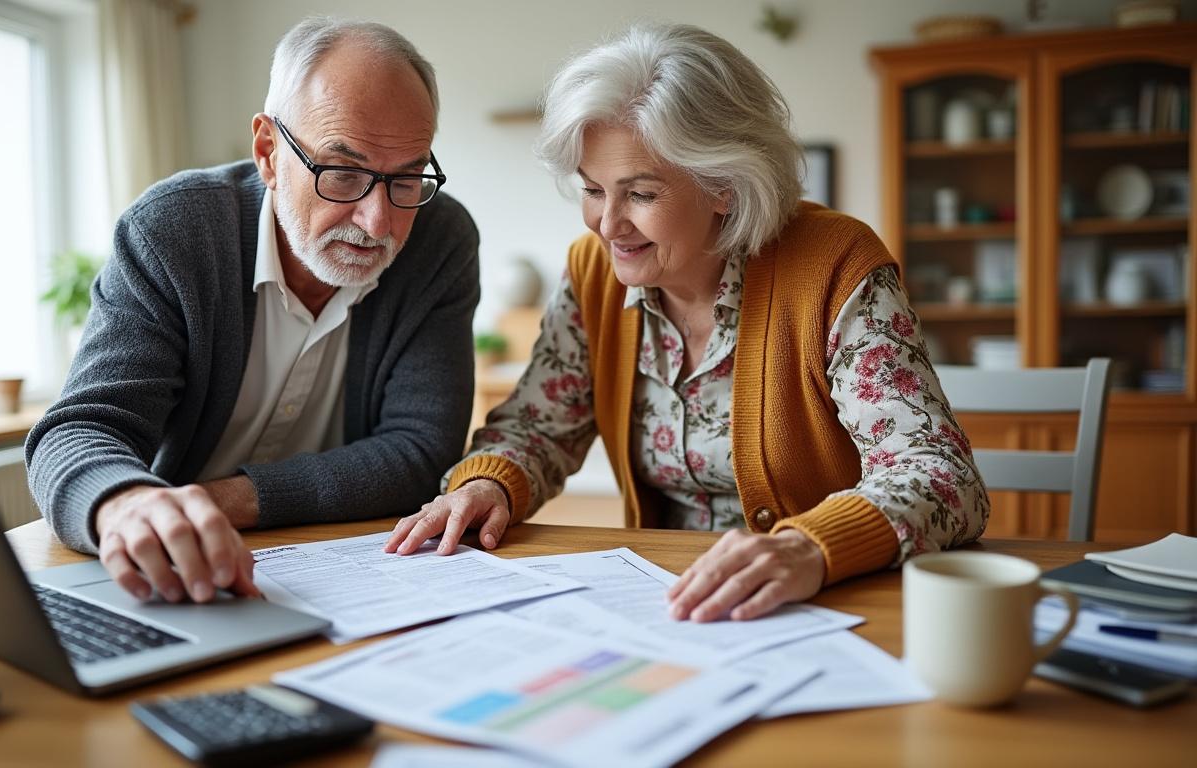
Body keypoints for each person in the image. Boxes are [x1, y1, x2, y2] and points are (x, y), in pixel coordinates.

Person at [385, 23, 988, 622]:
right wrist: (486, 485)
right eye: (593, 189)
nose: (607, 224)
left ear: (723, 185)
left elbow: (941, 476)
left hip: (829, 603)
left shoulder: (834, 265)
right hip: (667, 607)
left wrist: (809, 546)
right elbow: (539, 428)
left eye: (641, 195)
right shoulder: (594, 271)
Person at [27, 18, 479, 604]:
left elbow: (420, 450)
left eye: (407, 178)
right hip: (174, 569)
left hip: (358, 570)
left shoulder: (440, 239)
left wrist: (216, 501)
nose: (378, 222)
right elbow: (79, 430)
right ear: (268, 151)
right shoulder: (174, 231)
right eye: (342, 173)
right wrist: (131, 505)